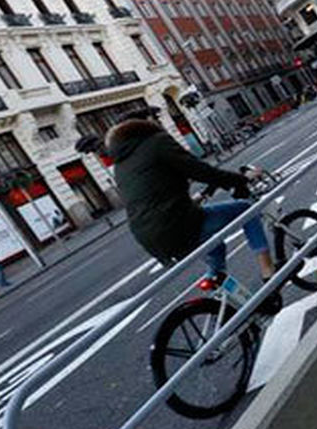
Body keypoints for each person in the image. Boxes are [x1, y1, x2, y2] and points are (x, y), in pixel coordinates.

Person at [105, 117, 282, 313]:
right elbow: (199, 170)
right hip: (177, 224)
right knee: (245, 208)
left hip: (150, 238)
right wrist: (241, 179)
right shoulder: (156, 142)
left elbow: (151, 195)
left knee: (214, 246)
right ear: (147, 128)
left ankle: (219, 299)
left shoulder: (120, 164)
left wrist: (195, 199)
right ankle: (268, 271)